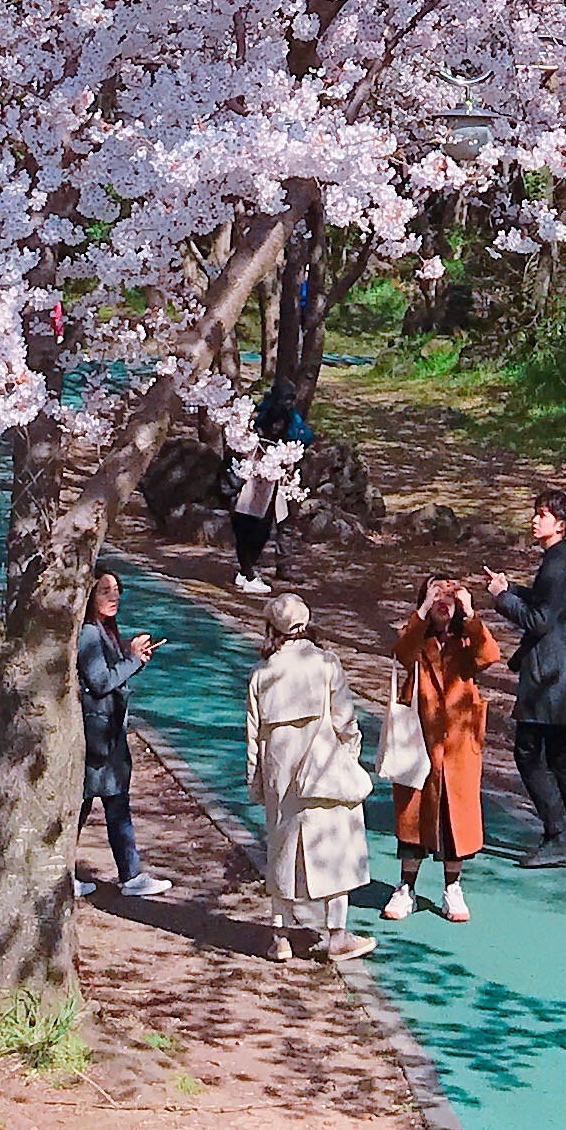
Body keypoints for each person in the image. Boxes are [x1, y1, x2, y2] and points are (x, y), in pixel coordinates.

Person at [242, 592, 376, 960]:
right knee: (336, 847)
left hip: (279, 775)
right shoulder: (326, 664)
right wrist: (350, 756)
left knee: (281, 850)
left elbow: (253, 735)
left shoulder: (262, 675)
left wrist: (257, 780)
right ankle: (337, 934)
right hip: (323, 770)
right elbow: (346, 721)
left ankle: (280, 936)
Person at [482, 487, 566, 868]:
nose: (535, 520)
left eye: (543, 515)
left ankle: (557, 834)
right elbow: (545, 600)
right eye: (535, 513)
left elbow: (539, 620)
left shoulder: (557, 562)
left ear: (561, 524)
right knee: (561, 757)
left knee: (528, 753)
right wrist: (513, 588)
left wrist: (503, 598)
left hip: (552, 682)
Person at [385, 573, 500, 922]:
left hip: (459, 743)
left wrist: (470, 610)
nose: (442, 603)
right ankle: (406, 886)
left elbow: (490, 655)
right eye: (435, 596)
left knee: (455, 819)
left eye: (449, 597)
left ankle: (452, 887)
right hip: (417, 740)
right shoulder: (417, 636)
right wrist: (422, 610)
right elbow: (402, 652)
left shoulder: (467, 639)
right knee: (413, 815)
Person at [73, 569, 169, 901]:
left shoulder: (106, 632)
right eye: (105, 591)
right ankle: (58, 873)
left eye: (117, 590)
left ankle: (130, 875)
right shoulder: (88, 634)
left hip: (108, 734)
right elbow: (100, 682)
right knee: (81, 804)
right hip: (96, 736)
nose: (113, 597)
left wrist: (132, 657)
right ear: (89, 595)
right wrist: (132, 661)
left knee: (116, 803)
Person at [229, 381, 311, 595]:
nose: (288, 402)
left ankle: (246, 570)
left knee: (260, 525)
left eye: (291, 398)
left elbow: (304, 437)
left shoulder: (289, 417)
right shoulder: (263, 415)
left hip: (271, 478)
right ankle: (248, 573)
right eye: (286, 398)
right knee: (252, 526)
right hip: (254, 477)